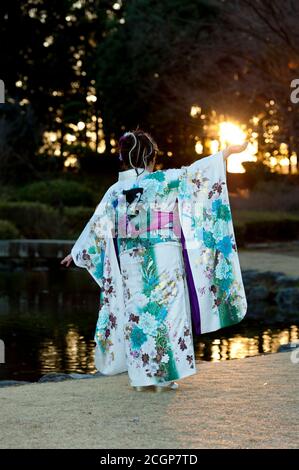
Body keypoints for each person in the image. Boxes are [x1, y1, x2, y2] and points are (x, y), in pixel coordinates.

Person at [61, 129, 247, 392]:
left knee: (137, 313)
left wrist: (78, 251)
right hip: (163, 255)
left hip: (130, 260)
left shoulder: (116, 190)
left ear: (125, 157)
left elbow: (97, 224)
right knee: (167, 313)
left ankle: (142, 378)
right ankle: (164, 376)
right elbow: (195, 173)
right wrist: (225, 153)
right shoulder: (162, 181)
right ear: (149, 155)